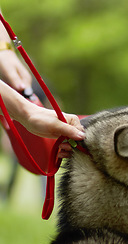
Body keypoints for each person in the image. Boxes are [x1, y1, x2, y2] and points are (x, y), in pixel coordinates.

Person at [0, 21, 84, 158]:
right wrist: (27, 113)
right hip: (23, 129)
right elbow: (6, 116)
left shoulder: (40, 84)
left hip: (39, 127)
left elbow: (54, 103)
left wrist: (4, 50)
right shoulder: (11, 86)